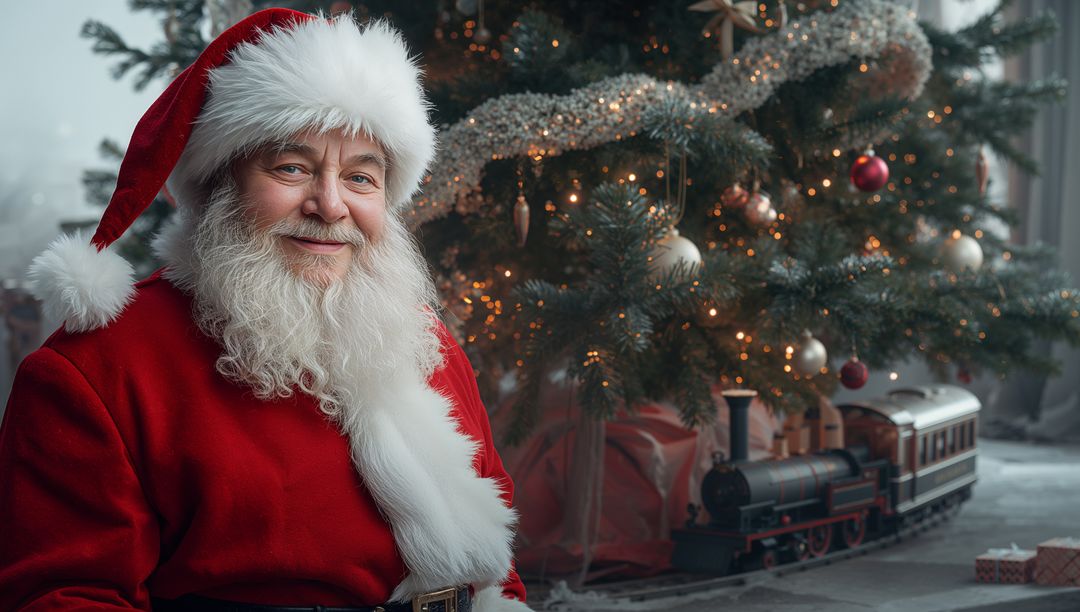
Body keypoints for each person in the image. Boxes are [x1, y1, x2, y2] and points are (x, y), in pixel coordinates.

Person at [0, 9, 530, 611]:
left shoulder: (421, 340)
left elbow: (497, 565)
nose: (331, 206)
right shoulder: (97, 371)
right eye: (292, 168)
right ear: (220, 184)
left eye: (362, 178)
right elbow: (63, 598)